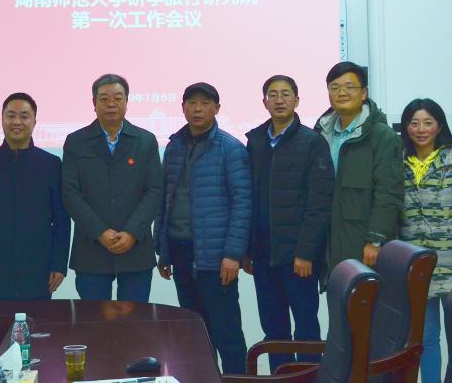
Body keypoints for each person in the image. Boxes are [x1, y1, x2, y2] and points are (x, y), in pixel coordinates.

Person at [155, 82, 251, 374]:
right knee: (194, 332)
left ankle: (235, 380)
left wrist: (233, 254)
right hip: (181, 251)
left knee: (227, 333)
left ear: (217, 109)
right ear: (183, 107)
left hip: (217, 257)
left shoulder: (230, 148)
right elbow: (165, 200)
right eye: (192, 103)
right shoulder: (174, 147)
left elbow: (243, 204)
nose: (198, 109)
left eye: (205, 103)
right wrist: (163, 250)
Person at [243, 75, 334, 371]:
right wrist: (247, 249)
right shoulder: (255, 141)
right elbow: (248, 198)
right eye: (273, 94)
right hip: (263, 254)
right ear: (264, 101)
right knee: (274, 330)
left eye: (285, 94)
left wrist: (306, 252)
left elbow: (319, 202)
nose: (279, 100)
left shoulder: (312, 142)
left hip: (298, 258)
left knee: (306, 329)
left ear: (297, 100)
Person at [397, 98, 452, 383]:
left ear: (439, 126)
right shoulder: (398, 162)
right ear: (406, 127)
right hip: (417, 267)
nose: (421, 129)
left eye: (428, 123)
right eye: (414, 123)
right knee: (426, 337)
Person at [62, 74, 162, 302]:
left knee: (134, 320)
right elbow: (70, 192)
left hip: (136, 248)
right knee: (94, 320)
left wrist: (132, 232)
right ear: (94, 103)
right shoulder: (76, 141)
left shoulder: (145, 141)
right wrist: (100, 231)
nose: (111, 104)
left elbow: (154, 190)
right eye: (104, 98)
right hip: (91, 249)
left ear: (127, 102)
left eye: (118, 98)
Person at [0, 93, 71, 301]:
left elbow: (61, 219)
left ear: (34, 121)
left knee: (39, 320)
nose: (16, 122)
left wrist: (59, 265)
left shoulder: (51, 165)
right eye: (10, 115)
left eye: (24, 116)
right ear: (2, 119)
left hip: (39, 266)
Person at [314, 61, 403, 271]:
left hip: (364, 240)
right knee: (335, 288)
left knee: (364, 290)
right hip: (328, 237)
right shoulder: (321, 133)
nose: (341, 92)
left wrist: (376, 239)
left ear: (364, 93)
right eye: (334, 87)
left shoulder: (382, 136)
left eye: (349, 87)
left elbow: (389, 192)